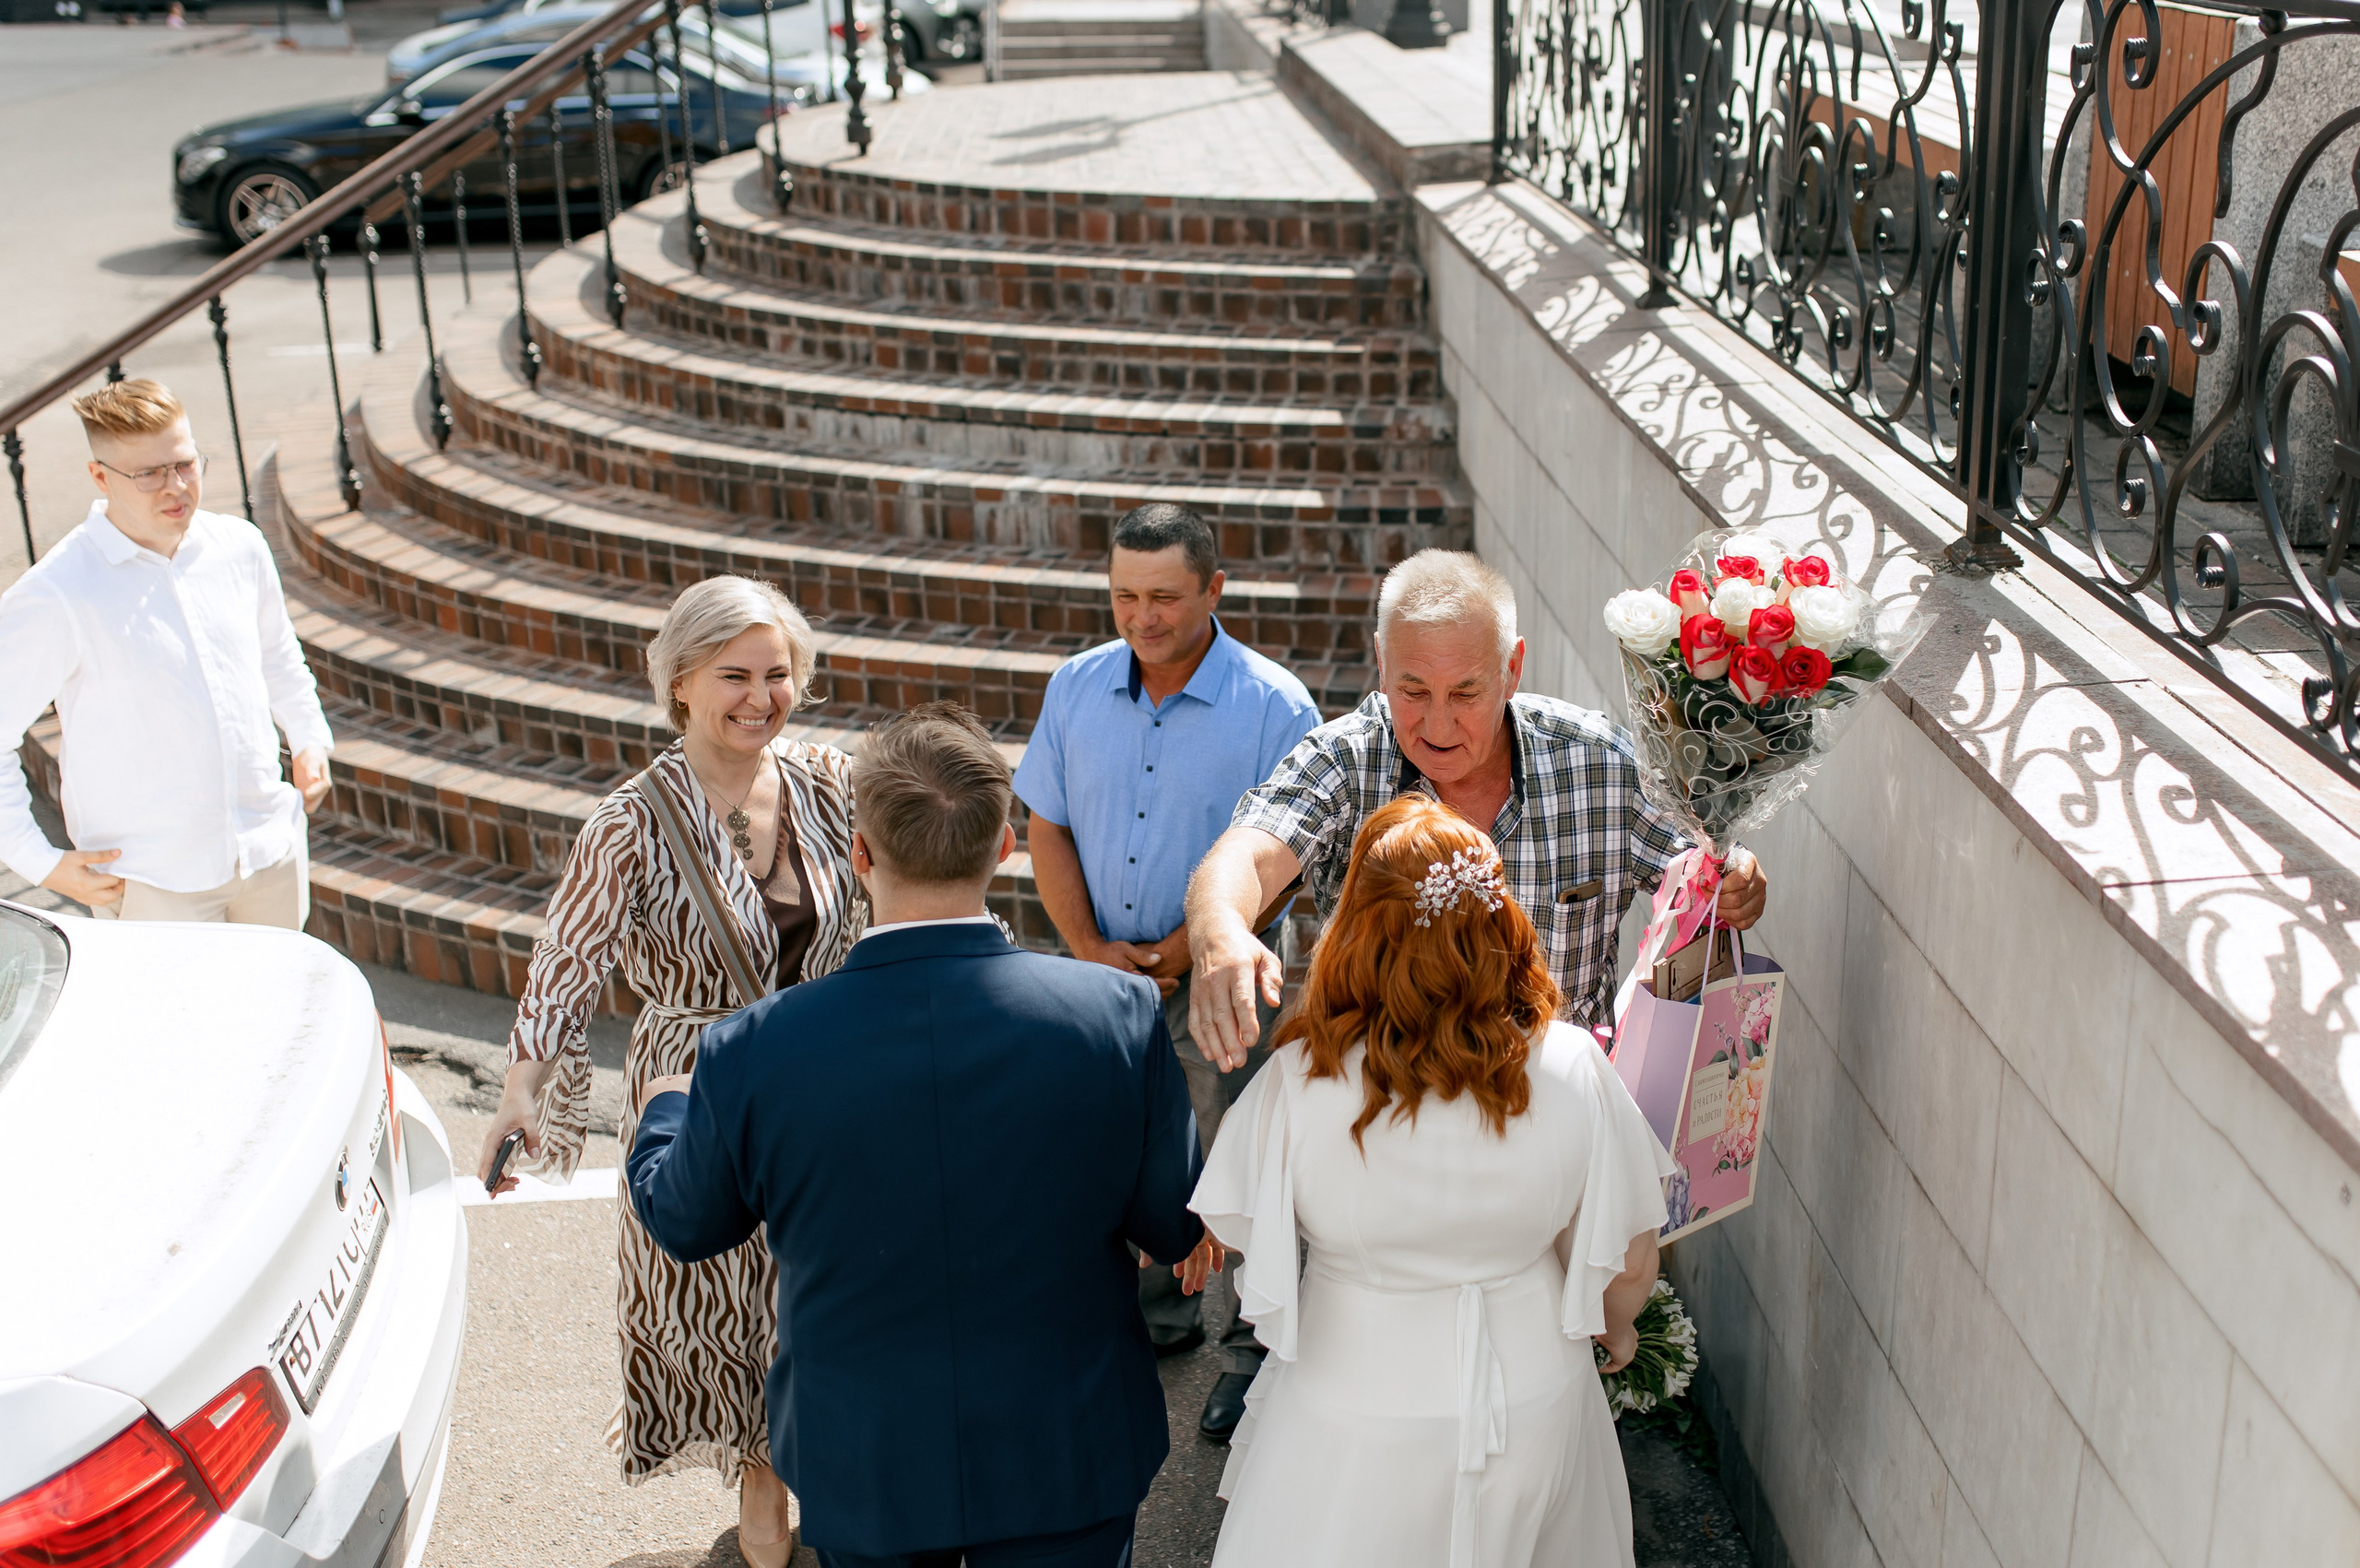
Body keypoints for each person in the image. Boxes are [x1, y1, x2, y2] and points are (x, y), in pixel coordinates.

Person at [625, 701, 1221, 1568]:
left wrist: (664, 1109)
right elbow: (1173, 1223)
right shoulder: (1116, 1016)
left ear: (860, 854)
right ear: (1005, 847)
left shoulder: (754, 1047)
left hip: (864, 1459)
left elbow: (685, 1220)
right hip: (1066, 1448)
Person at [477, 575, 866, 1568]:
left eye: (777, 674)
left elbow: (906, 892)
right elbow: (569, 959)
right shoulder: (631, 821)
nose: (758, 696)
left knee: (822, 1288)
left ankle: (830, 1483)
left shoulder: (831, 778)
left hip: (825, 1073)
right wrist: (523, 1084)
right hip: (698, 1085)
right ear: (679, 682)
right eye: (733, 674)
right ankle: (764, 1504)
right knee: (733, 1298)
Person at [1192, 796, 1676, 1566]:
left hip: (1350, 1392)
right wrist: (1616, 1327)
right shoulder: (1573, 1063)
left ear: (1357, 927)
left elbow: (1235, 1219)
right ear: (1499, 919)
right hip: (1534, 1391)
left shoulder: (1299, 1077)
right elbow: (1630, 1256)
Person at [1186, 549, 1769, 1069]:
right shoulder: (1344, 759)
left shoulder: (1599, 763)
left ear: (1512, 669)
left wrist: (1734, 878)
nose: (1437, 726)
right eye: (1413, 691)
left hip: (1562, 1123)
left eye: (1466, 692)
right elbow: (1250, 851)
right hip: (1385, 1111)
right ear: (1382, 664)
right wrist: (1220, 930)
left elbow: (1700, 874)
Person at [1011, 501, 1318, 1436]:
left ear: (1214, 589)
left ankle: (1249, 1356)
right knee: (1112, 1150)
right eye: (1124, 597)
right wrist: (1091, 955)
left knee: (1235, 1162)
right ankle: (1154, 1321)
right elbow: (1046, 825)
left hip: (1223, 979)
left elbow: (1287, 855)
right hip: (1101, 975)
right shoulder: (1075, 686)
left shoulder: (1275, 706)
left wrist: (1184, 953)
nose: (1144, 618)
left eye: (1166, 598)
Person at [0, 378, 333, 927]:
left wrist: (309, 737)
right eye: (149, 474)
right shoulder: (57, 593)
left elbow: (277, 655)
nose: (175, 487)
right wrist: (40, 863)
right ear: (100, 476)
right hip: (151, 885)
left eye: (185, 464)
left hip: (270, 854)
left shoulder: (239, 546)